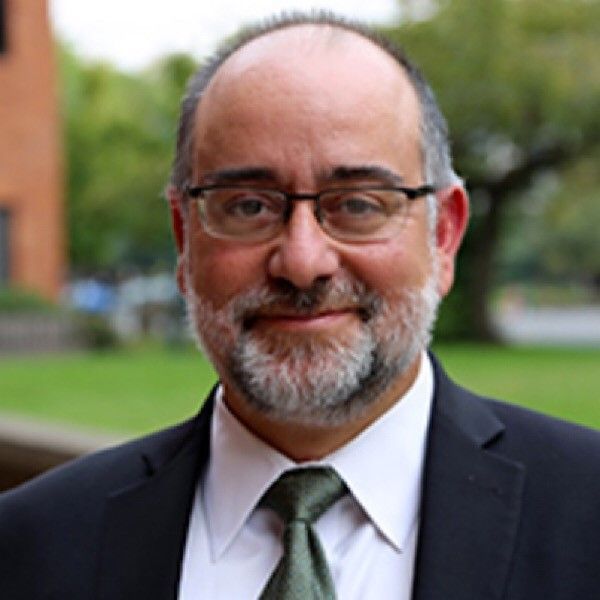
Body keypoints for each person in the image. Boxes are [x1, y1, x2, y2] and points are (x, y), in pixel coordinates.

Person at [1, 12, 600, 600]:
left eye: (359, 204)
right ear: (185, 239)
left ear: (443, 234)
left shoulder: (586, 514)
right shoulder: (30, 547)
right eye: (249, 206)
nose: (302, 260)